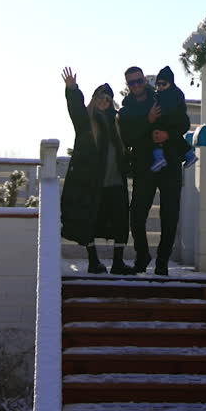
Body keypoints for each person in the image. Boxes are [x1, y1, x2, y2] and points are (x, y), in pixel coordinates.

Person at [60, 67, 135, 275]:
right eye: (101, 97)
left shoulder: (117, 123)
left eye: (108, 99)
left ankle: (118, 263)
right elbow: (75, 108)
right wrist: (72, 89)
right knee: (90, 221)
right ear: (95, 99)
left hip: (116, 183)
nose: (104, 101)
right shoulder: (85, 122)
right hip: (93, 184)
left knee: (121, 223)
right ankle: (94, 262)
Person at [118, 64, 190, 277]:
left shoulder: (162, 95)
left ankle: (162, 263)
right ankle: (142, 257)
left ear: (145, 81)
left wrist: (168, 135)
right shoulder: (126, 110)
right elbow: (128, 137)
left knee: (170, 215)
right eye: (132, 82)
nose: (137, 85)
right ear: (128, 85)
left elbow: (183, 122)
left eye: (140, 80)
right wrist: (147, 122)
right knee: (137, 215)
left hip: (170, 165)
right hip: (144, 167)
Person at [150, 65, 198, 173]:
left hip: (169, 124)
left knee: (159, 136)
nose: (161, 87)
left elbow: (183, 123)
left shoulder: (172, 95)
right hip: (169, 125)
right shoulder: (161, 95)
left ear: (170, 83)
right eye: (158, 84)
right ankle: (188, 154)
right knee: (174, 138)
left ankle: (160, 158)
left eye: (164, 84)